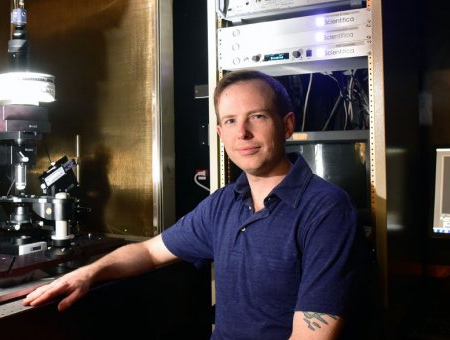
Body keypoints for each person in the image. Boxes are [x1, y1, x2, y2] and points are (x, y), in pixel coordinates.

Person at [22, 69, 369, 339]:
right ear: (220, 134)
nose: (242, 133)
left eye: (257, 117)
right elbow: (149, 252)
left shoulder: (326, 210)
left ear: (287, 125)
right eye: (230, 121)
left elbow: (312, 336)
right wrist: (88, 272)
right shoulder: (223, 204)